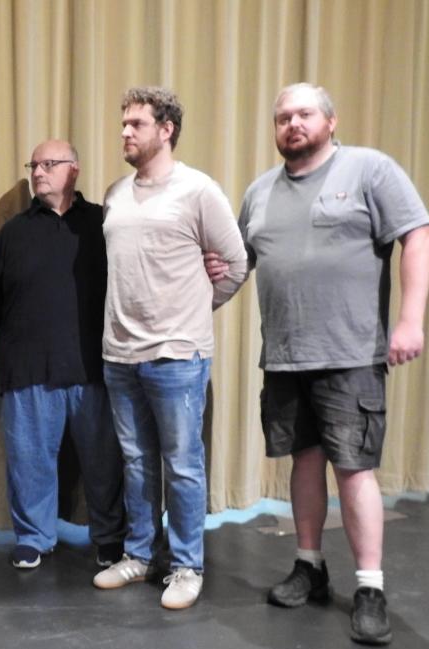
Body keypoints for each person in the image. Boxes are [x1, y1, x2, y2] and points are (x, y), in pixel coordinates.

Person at [227, 82, 429, 644]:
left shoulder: (370, 171)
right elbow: (233, 271)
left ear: (331, 121)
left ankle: (370, 587)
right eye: (282, 117)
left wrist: (410, 321)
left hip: (350, 355)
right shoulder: (260, 192)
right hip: (287, 356)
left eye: (304, 114)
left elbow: (417, 236)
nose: (292, 123)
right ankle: (309, 566)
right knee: (303, 461)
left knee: (354, 468)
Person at [93, 87, 247, 609]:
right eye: (123, 124)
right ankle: (139, 555)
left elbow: (236, 263)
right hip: (120, 354)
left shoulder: (198, 190)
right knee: (136, 463)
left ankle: (186, 566)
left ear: (167, 129)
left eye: (136, 123)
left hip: (177, 355)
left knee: (182, 464)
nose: (125, 133)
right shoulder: (115, 193)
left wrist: (195, 314)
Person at [0, 139, 126, 570]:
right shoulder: (13, 233)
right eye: (34, 165)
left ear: (73, 170)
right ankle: (34, 537)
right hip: (26, 368)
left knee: (104, 461)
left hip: (94, 366)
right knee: (29, 460)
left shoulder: (102, 224)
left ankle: (110, 536)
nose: (38, 172)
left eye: (49, 164)